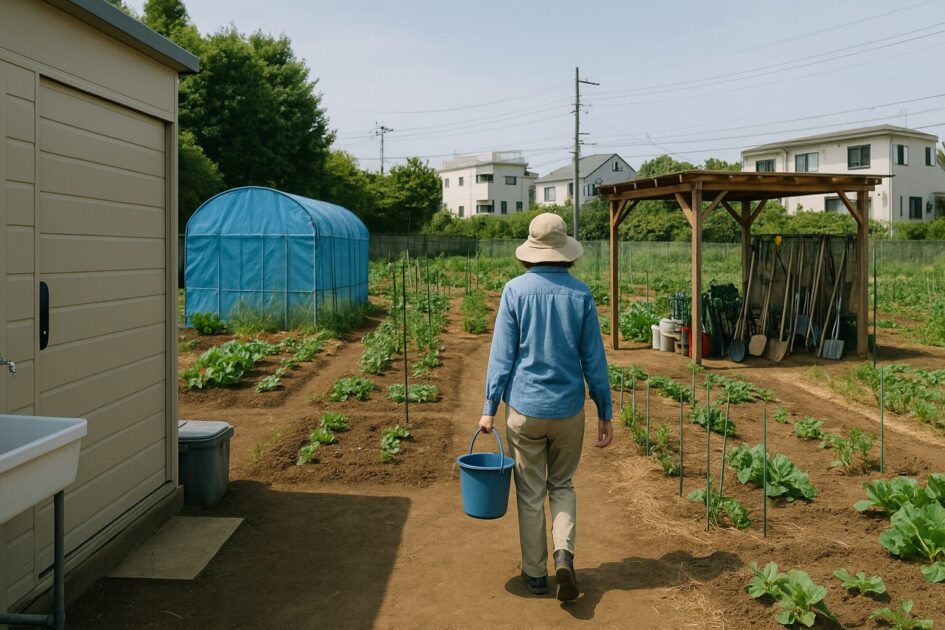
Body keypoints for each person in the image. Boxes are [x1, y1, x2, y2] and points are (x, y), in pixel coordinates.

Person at [479, 212, 613, 602]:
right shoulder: (580, 294)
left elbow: (502, 356)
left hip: (524, 408)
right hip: (568, 409)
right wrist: (604, 410)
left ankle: (536, 574)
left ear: (530, 252)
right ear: (565, 252)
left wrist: (489, 406)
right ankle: (564, 555)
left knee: (531, 490)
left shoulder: (515, 291)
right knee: (563, 484)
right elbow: (594, 359)